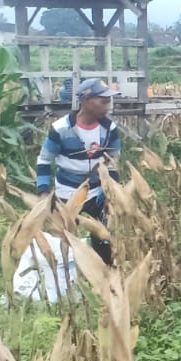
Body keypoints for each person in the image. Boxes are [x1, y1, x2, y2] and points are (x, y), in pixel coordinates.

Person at [36, 78, 122, 265]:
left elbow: (113, 163)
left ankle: (105, 271)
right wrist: (43, 192)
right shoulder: (61, 129)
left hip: (97, 193)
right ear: (85, 100)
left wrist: (111, 194)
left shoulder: (109, 129)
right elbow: (44, 160)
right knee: (65, 237)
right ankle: (67, 273)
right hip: (67, 193)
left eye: (108, 100)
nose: (108, 104)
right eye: (102, 100)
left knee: (104, 238)